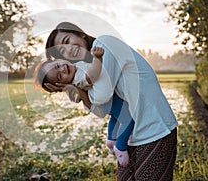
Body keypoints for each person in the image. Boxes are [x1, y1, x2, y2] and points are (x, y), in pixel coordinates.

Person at [44, 22, 178, 180]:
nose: (68, 50)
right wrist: (72, 83)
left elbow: (101, 97)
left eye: (67, 41)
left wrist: (76, 84)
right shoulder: (88, 67)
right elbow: (100, 111)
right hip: (130, 134)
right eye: (61, 52)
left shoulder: (104, 44)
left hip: (154, 127)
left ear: (80, 34)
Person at [34, 47, 135, 166]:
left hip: (109, 101)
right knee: (127, 118)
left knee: (115, 117)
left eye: (57, 66)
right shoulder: (77, 79)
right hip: (108, 101)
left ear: (57, 59)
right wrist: (98, 59)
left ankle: (111, 139)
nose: (63, 69)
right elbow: (91, 76)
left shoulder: (76, 68)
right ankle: (120, 146)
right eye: (60, 76)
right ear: (61, 83)